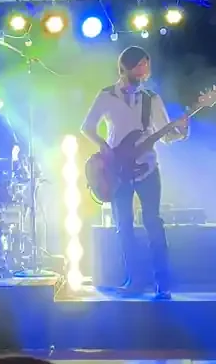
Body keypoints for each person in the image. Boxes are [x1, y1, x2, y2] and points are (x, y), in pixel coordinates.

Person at [81, 46, 188, 299]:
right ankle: (134, 280)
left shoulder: (152, 99)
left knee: (153, 223)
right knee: (124, 227)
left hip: (147, 168)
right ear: (125, 67)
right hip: (118, 170)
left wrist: (183, 130)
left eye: (146, 64)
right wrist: (104, 147)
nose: (144, 70)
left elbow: (166, 135)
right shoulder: (107, 95)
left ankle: (162, 282)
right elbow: (87, 127)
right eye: (139, 65)